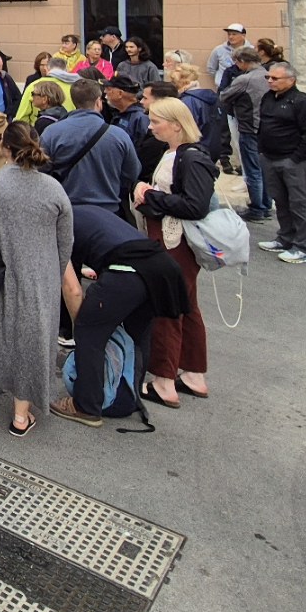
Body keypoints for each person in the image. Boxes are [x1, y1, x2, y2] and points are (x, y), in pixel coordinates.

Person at [0, 123, 77, 437]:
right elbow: (65, 241)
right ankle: (21, 415)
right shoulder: (54, 188)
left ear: (5, 147)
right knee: (33, 341)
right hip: (39, 277)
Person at [50, 204, 189, 427]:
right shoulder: (83, 212)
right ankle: (129, 396)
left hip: (127, 272)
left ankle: (86, 406)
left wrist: (84, 329)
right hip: (161, 270)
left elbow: (72, 289)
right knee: (136, 337)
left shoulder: (55, 227)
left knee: (89, 329)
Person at [131, 97, 217, 408]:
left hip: (173, 241)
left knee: (166, 307)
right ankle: (193, 372)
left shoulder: (189, 158)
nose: (151, 126)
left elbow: (195, 205)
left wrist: (150, 195)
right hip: (174, 240)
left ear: (176, 125)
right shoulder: (179, 154)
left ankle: (164, 380)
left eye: (156, 122)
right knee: (187, 305)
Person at [255, 61, 306, 265]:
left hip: (295, 161)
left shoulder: (303, 102)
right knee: (281, 201)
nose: (270, 81)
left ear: (291, 80)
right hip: (270, 158)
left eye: (275, 78)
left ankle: (302, 247)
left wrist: (294, 159)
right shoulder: (269, 98)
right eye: (268, 77)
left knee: (300, 203)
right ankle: (285, 238)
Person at [40, 78, 141, 215]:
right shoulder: (119, 135)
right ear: (99, 101)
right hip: (107, 211)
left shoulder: (51, 133)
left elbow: (41, 171)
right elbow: (132, 173)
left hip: (66, 210)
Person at [218, 47, 273, 221]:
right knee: (264, 168)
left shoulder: (245, 79)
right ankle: (266, 205)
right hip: (267, 128)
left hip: (249, 127)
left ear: (242, 61)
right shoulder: (267, 74)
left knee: (252, 170)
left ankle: (257, 207)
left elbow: (224, 96)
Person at [206, 22, 249, 87]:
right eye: (229, 34)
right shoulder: (219, 50)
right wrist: (220, 79)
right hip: (223, 89)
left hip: (243, 89)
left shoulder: (251, 51)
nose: (230, 37)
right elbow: (211, 68)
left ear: (243, 35)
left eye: (234, 34)